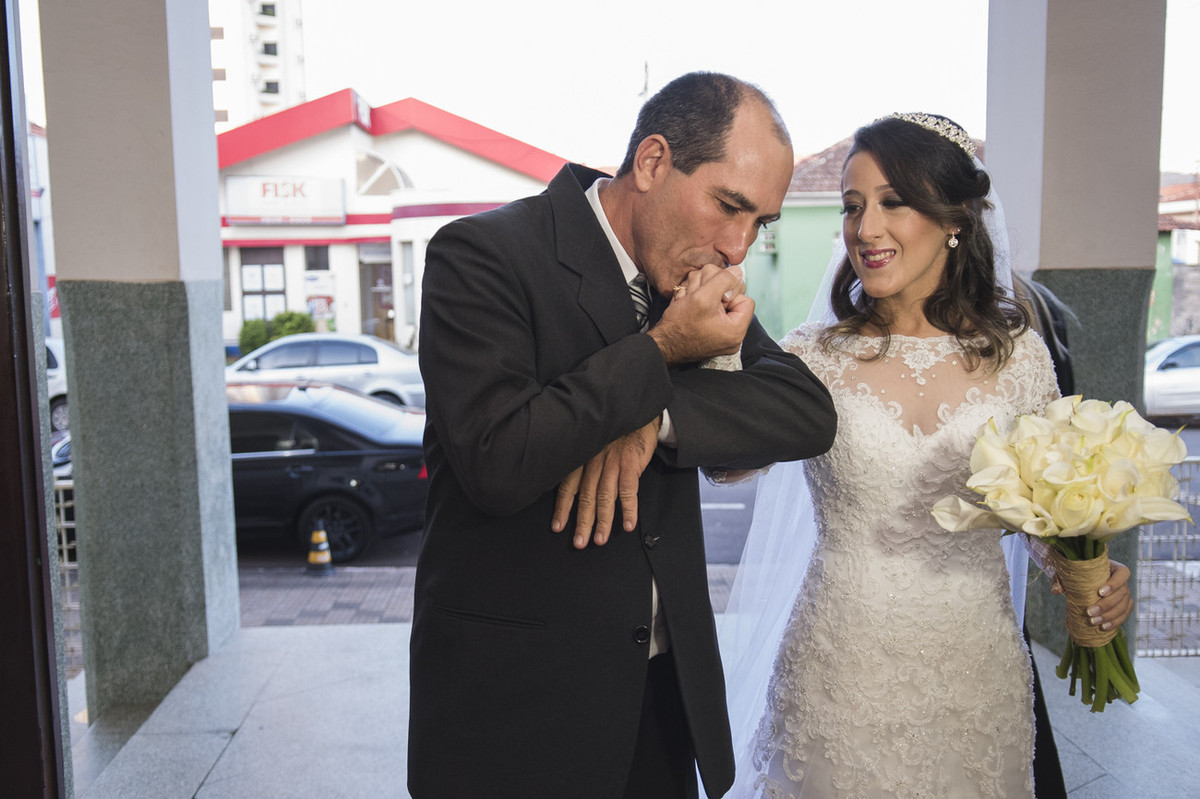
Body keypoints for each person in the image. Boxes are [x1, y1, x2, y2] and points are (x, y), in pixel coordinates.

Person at [408, 72, 837, 799]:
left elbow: (805, 411)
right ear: (652, 163)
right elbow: (498, 458)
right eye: (729, 206)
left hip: (662, 708)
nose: (738, 247)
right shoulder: (481, 255)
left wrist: (654, 418)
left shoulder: (700, 278)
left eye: (760, 223)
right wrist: (663, 350)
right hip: (514, 716)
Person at [721, 113, 1132, 797]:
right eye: (853, 208)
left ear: (953, 219)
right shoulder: (812, 357)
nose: (865, 229)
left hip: (976, 675)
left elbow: (1043, 516)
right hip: (840, 672)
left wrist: (1088, 569)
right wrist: (712, 364)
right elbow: (732, 463)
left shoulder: (1017, 355)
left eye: (893, 202)